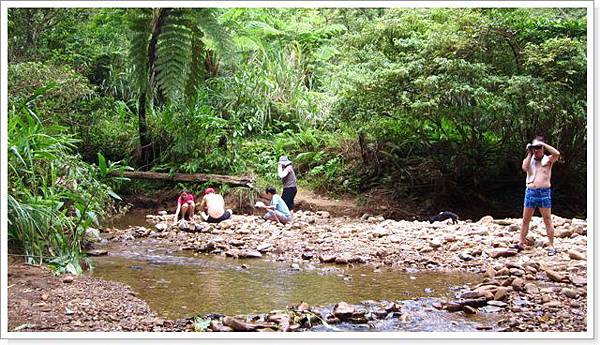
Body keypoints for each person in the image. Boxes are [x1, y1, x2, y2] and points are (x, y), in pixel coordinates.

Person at [513, 136, 560, 256]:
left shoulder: (548, 160)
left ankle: (551, 245)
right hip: (530, 192)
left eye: (539, 148)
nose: (537, 150)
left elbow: (557, 153)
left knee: (547, 220)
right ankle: (521, 243)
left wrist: (542, 144)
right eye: (535, 148)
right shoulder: (530, 160)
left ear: (543, 148)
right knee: (525, 220)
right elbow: (524, 167)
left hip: (544, 193)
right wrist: (529, 152)